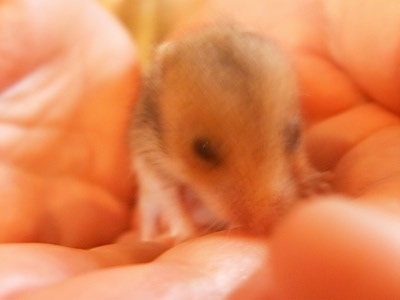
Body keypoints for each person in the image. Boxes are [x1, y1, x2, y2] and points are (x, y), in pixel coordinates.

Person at [0, 0, 399, 298]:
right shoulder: (156, 126)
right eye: (206, 152)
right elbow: (156, 164)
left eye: (289, 135)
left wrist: (303, 170)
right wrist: (177, 218)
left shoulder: (275, 89)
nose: (260, 215)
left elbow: (283, 138)